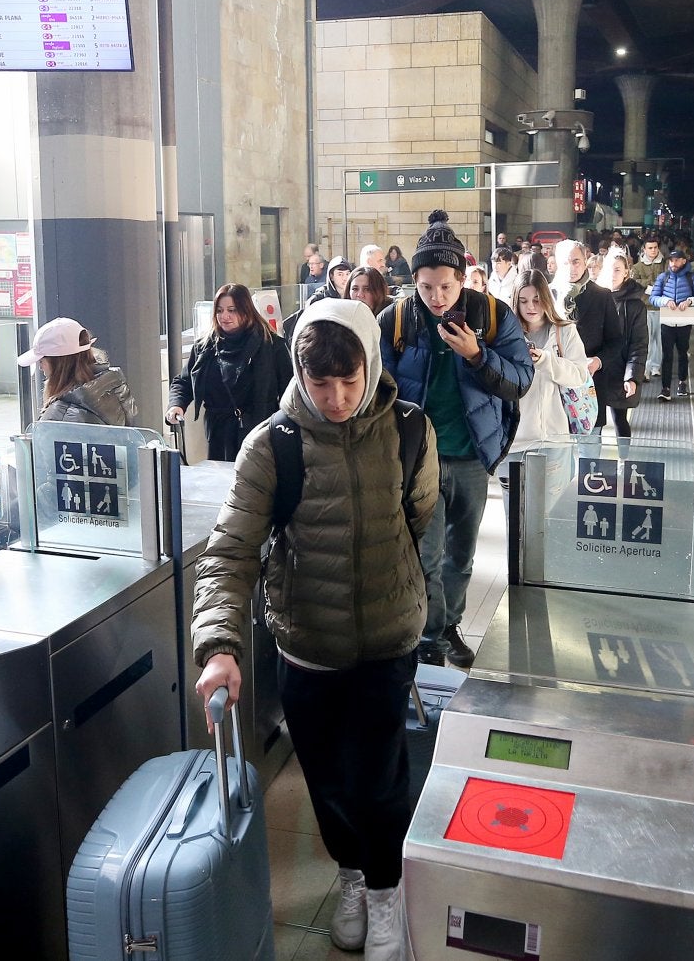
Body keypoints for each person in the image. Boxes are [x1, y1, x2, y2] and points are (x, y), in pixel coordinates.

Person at [191, 299, 438, 961]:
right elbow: (231, 552)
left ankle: (386, 893)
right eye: (319, 383)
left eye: (348, 382)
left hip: (388, 640)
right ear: (300, 374)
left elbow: (418, 514)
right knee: (327, 781)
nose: (334, 398)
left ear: (371, 365)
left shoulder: (411, 430)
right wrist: (219, 647)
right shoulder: (273, 446)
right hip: (306, 647)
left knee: (378, 780)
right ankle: (353, 875)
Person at [379, 210, 532, 668]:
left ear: (463, 278)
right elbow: (376, 387)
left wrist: (477, 354)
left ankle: (448, 625)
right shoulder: (397, 319)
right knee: (425, 556)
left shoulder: (491, 315)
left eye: (446, 286)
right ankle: (432, 636)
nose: (437, 297)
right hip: (417, 460)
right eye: (426, 287)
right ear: (414, 281)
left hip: (470, 454)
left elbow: (520, 380)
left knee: (461, 555)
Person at [167, 284, 292, 461]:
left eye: (232, 310)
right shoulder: (205, 346)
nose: (224, 316)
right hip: (218, 434)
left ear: (246, 310)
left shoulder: (271, 345)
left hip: (258, 433)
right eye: (219, 310)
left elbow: (289, 391)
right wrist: (176, 405)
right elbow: (184, 381)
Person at [510, 269, 589, 452]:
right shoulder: (505, 335)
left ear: (546, 298)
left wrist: (546, 361)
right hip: (513, 442)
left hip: (553, 440)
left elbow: (579, 375)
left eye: (537, 300)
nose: (531, 307)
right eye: (524, 301)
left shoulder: (565, 331)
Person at [552, 240, 626, 426]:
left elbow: (616, 341)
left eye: (576, 261)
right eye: (565, 263)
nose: (571, 268)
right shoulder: (547, 295)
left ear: (586, 261)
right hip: (554, 385)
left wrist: (598, 361)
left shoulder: (602, 296)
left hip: (590, 385)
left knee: (589, 448)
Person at [21, 317, 139, 425]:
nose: (40, 367)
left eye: (41, 361)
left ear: (58, 363)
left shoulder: (59, 416)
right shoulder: (115, 388)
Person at [650, 249, 694, 399]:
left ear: (684, 261)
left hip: (684, 323)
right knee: (667, 355)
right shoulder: (663, 278)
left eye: (676, 260)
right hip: (667, 322)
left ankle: (682, 382)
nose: (673, 263)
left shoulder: (693, 278)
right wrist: (665, 301)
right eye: (671, 260)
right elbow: (653, 298)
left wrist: (690, 301)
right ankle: (665, 388)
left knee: (683, 353)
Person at [603, 252, 648, 437]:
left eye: (617, 270)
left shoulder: (635, 306)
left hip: (620, 370)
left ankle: (624, 461)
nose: (612, 274)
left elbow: (639, 345)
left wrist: (632, 377)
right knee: (592, 423)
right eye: (609, 269)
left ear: (626, 273)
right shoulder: (595, 298)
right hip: (595, 370)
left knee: (619, 419)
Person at [631, 237, 666, 380]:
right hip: (644, 307)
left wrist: (647, 284)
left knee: (660, 339)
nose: (653, 250)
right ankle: (645, 368)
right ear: (644, 250)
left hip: (661, 307)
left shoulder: (665, 265)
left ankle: (656, 367)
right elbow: (634, 283)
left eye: (655, 248)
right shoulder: (637, 267)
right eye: (650, 248)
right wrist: (651, 283)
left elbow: (667, 280)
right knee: (647, 340)